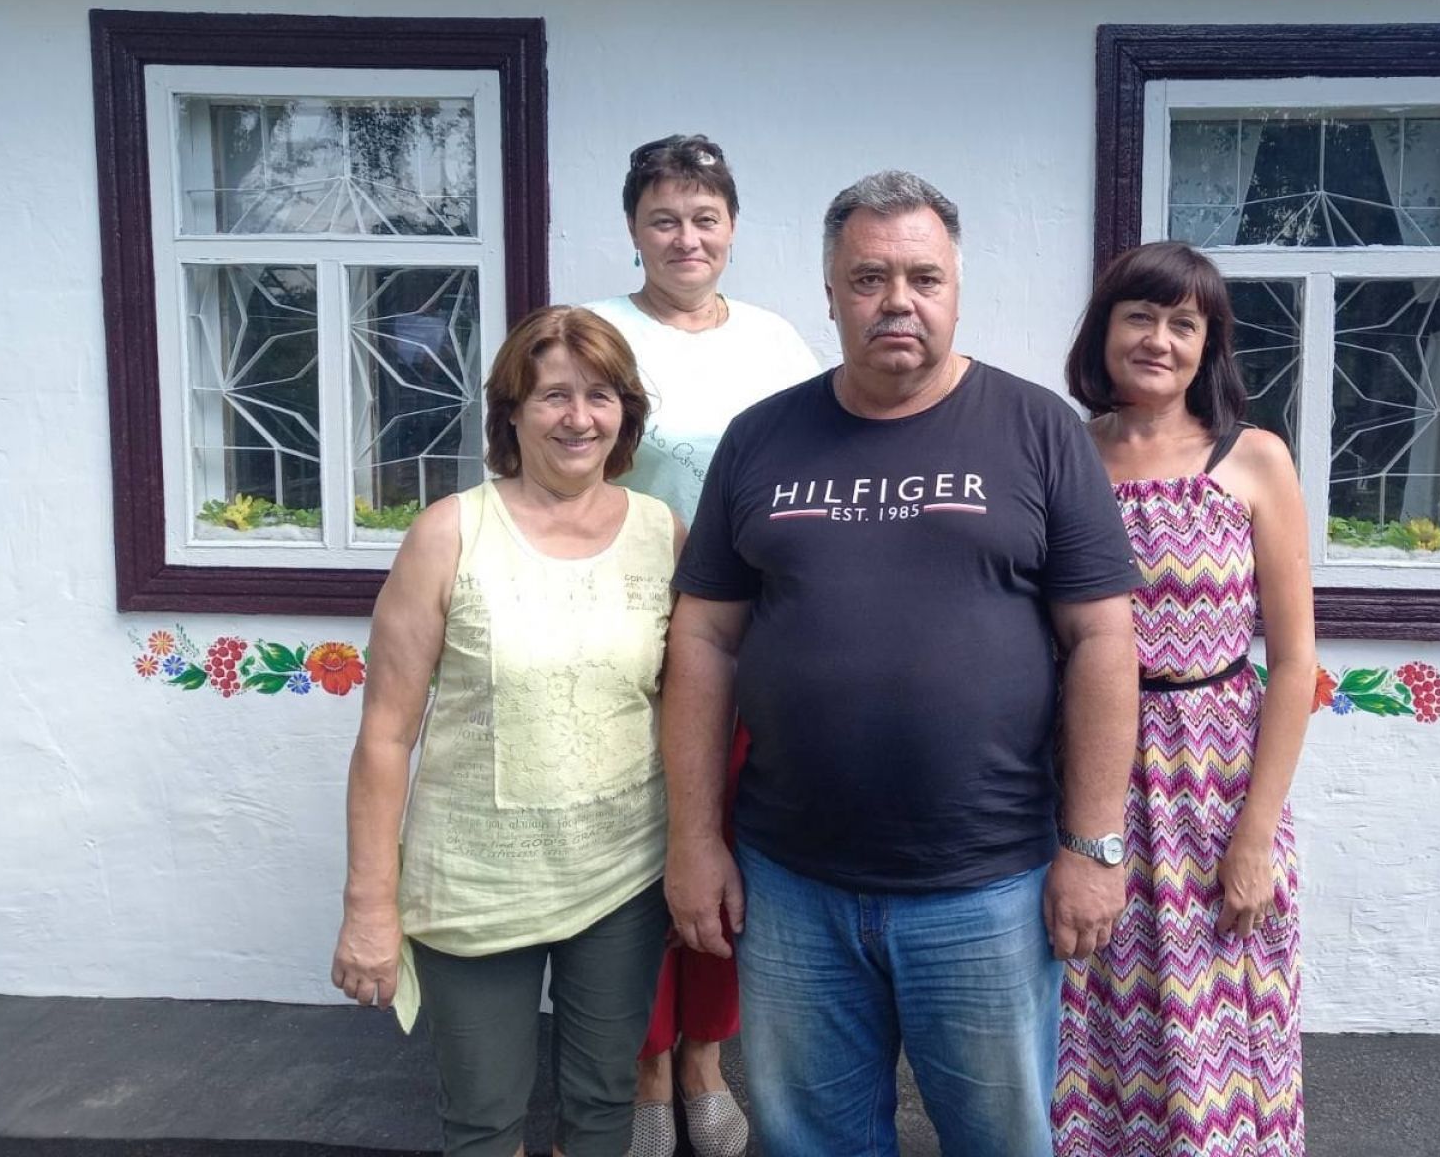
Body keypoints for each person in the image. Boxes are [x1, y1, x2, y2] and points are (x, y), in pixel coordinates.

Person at [662, 171, 1142, 1157]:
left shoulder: (1037, 430)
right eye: (868, 278)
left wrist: (1093, 846)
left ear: (956, 288)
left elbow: (1103, 639)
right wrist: (694, 839)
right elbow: (703, 641)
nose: (897, 301)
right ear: (830, 293)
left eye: (923, 278)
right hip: (791, 882)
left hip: (988, 886)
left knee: (1001, 1141)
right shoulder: (761, 438)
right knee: (812, 1142)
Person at [330, 305, 678, 1157]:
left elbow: (679, 709)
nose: (578, 417)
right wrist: (369, 904)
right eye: (554, 394)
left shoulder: (662, 535)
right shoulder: (450, 533)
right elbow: (385, 735)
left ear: (625, 414)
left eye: (600, 395)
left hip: (622, 877)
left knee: (603, 1106)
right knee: (483, 1120)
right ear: (512, 411)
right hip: (475, 884)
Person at [1053, 241, 1317, 1157]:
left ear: (1209, 345)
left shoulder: (1253, 459)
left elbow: (1294, 661)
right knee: (1092, 1019)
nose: (1158, 340)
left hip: (1215, 787)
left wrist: (1256, 835)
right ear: (1105, 331)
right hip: (1088, 780)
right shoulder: (1063, 454)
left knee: (1219, 1033)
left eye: (1183, 323)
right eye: (1140, 317)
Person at [585, 133, 818, 1157]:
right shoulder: (594, 333)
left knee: (724, 838)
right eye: (665, 219)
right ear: (634, 229)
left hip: (751, 631)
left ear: (732, 229)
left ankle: (703, 1061)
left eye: (705, 218)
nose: (687, 237)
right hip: (621, 627)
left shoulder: (775, 342)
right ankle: (642, 1065)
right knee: (636, 853)